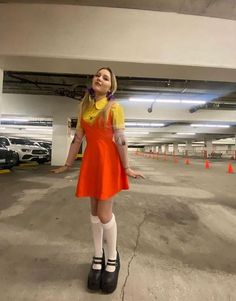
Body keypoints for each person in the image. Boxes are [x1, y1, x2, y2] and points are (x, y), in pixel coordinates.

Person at [52, 67, 144, 294]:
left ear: (110, 86)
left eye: (105, 78)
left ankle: (112, 257)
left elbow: (121, 139)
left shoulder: (115, 107)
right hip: (91, 162)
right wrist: (67, 163)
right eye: (97, 75)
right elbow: (78, 139)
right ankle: (97, 255)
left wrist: (127, 167)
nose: (99, 79)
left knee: (104, 214)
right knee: (94, 213)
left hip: (108, 163)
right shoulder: (84, 107)